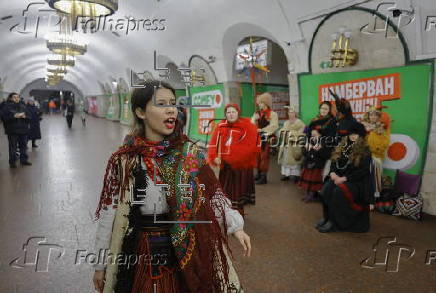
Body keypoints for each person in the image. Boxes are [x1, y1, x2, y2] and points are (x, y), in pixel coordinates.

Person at [92, 81, 251, 293]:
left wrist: (235, 225)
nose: (170, 109)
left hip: (188, 253)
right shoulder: (124, 161)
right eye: (161, 104)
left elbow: (213, 196)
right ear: (140, 112)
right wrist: (100, 266)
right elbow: (108, 215)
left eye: (173, 103)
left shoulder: (190, 155)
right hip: (142, 252)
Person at [316, 121, 375, 233]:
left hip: (357, 182)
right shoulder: (342, 146)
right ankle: (327, 218)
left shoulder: (365, 150)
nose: (353, 136)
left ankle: (335, 223)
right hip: (339, 177)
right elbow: (334, 162)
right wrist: (332, 173)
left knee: (338, 192)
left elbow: (363, 171)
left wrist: (344, 179)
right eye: (351, 133)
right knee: (325, 190)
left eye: (356, 134)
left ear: (360, 135)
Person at [208, 103, 260, 213]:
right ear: (225, 114)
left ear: (238, 113)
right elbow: (214, 143)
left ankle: (238, 213)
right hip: (226, 166)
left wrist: (240, 156)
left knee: (238, 191)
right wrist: (214, 156)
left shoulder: (246, 126)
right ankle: (226, 212)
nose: (231, 114)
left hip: (241, 167)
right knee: (226, 190)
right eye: (228, 112)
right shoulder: (220, 126)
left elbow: (253, 144)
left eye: (233, 112)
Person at [362, 105, 391, 198]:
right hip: (365, 155)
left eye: (375, 115)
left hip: (376, 156)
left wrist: (374, 150)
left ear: (379, 117)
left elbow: (384, 143)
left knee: (375, 176)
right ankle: (365, 196)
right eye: (371, 115)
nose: (373, 117)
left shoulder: (382, 128)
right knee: (364, 176)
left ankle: (374, 198)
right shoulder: (366, 127)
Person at [251, 92, 278, 184]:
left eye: (261, 103)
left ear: (266, 103)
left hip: (267, 138)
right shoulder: (257, 113)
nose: (259, 105)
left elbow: (274, 126)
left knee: (264, 157)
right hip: (257, 138)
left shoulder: (273, 114)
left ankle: (263, 177)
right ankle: (258, 174)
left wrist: (262, 130)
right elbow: (251, 126)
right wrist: (254, 119)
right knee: (257, 157)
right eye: (259, 103)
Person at [298, 128, 331, 202]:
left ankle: (311, 196)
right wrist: (306, 149)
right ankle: (307, 195)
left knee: (313, 182)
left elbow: (326, 155)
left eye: (315, 135)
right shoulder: (310, 141)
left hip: (317, 165)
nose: (313, 137)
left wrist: (317, 150)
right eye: (312, 135)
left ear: (320, 135)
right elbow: (305, 154)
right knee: (307, 181)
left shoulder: (324, 142)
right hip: (309, 163)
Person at [0, 93, 32, 168]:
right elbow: (4, 117)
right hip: (12, 130)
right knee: (13, 147)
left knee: (23, 146)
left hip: (23, 130)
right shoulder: (6, 107)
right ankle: (12, 162)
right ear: (10, 98)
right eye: (14, 97)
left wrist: (25, 116)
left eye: (18, 97)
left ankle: (24, 160)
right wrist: (14, 116)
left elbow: (30, 117)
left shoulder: (23, 106)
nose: (17, 99)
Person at [277, 106, 305, 182]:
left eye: (292, 112)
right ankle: (286, 174)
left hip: (294, 144)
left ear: (295, 113)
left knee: (294, 160)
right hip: (286, 144)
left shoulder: (299, 122)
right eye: (289, 112)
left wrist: (290, 134)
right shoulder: (286, 122)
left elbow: (301, 133)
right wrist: (281, 133)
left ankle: (296, 175)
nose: (290, 114)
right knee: (285, 159)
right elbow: (282, 131)